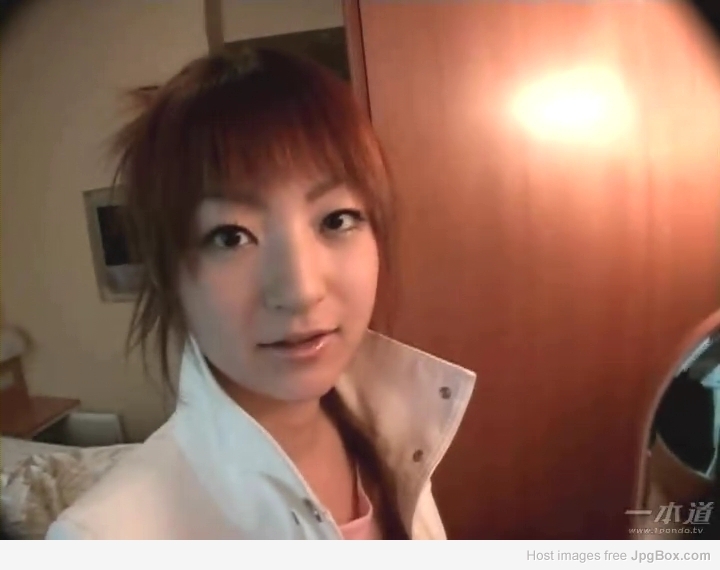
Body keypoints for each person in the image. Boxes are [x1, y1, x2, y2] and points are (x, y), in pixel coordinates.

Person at [45, 49, 476, 540]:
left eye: (336, 219)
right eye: (230, 236)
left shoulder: (399, 431)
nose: (301, 291)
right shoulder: (104, 541)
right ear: (167, 273)